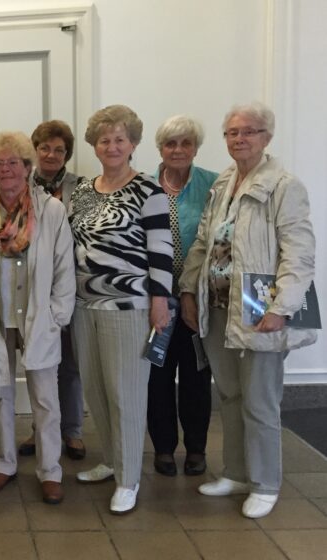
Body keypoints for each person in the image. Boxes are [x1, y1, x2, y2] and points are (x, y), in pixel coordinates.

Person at [180, 102, 316, 519]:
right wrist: (188, 291)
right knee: (230, 394)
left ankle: (265, 482)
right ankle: (237, 473)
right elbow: (203, 242)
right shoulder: (224, 183)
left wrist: (281, 307)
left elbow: (299, 253)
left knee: (260, 400)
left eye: (249, 131)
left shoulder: (284, 185)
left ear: (267, 137)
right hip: (220, 305)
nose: (239, 139)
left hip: (260, 305)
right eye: (232, 132)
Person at [0, 132, 75, 504]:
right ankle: (4, 463)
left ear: (27, 167)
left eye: (14, 163)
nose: (6, 170)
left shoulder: (51, 211)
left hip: (39, 316)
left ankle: (50, 470)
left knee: (45, 398)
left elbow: (64, 266)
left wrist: (57, 315)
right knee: (1, 392)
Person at [69, 105, 173, 515]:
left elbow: (161, 253)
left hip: (129, 307)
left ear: (132, 144)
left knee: (126, 394)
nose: (111, 146)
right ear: (94, 145)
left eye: (119, 139)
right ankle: (112, 461)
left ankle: (128, 479)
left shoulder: (149, 191)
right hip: (83, 306)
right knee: (96, 390)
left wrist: (160, 302)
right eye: (104, 140)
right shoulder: (82, 190)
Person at [147, 116, 218, 477]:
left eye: (186, 143)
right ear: (160, 148)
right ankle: (163, 447)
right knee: (156, 376)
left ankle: (196, 449)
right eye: (170, 143)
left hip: (196, 301)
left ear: (196, 148)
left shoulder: (214, 185)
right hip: (155, 301)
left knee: (195, 377)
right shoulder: (144, 186)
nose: (178, 150)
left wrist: (191, 291)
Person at [18, 119, 87, 461]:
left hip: (71, 283)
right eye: (44, 148)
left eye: (59, 150)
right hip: (32, 286)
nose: (51, 155)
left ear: (67, 155)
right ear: (35, 150)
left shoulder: (82, 187)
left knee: (69, 364)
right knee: (38, 366)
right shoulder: (21, 184)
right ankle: (39, 430)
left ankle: (72, 431)